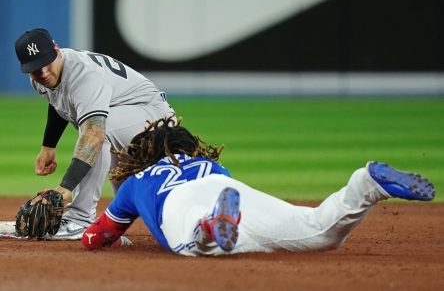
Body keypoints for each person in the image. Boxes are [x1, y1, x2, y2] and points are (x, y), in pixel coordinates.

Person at [81, 116, 435, 256]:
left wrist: (100, 231)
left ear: (144, 156)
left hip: (182, 204)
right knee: (319, 231)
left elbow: (96, 237)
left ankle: (208, 227)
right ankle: (366, 184)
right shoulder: (213, 164)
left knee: (198, 247)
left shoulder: (136, 182)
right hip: (225, 188)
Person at [14, 28, 176, 240]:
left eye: (46, 63)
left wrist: (66, 187)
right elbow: (59, 101)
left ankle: (80, 219)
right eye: (35, 69)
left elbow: (94, 134)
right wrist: (48, 146)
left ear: (57, 50)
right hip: (125, 117)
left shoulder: (83, 75)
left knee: (98, 133)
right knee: (128, 197)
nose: (43, 73)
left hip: (153, 117)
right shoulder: (40, 78)